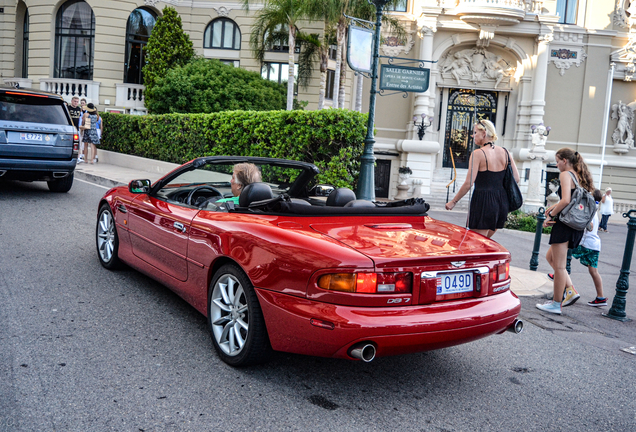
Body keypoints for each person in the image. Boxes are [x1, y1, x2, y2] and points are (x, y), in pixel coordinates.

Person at [537, 148, 595, 315]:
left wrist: (551, 216)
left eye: (557, 161)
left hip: (564, 226)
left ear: (564, 161)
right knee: (551, 257)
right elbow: (572, 201)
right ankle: (570, 291)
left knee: (560, 268)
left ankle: (556, 304)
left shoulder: (565, 175)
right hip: (575, 226)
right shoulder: (579, 176)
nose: (556, 164)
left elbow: (566, 200)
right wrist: (553, 208)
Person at [445, 119, 520, 238]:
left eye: (475, 132)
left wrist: (453, 202)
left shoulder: (478, 154)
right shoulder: (506, 152)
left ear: (484, 133)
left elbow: (468, 183)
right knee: (485, 242)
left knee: (476, 243)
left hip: (483, 200)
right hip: (501, 201)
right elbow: (516, 178)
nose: (472, 135)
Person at [570, 189, 608, 307]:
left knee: (563, 253)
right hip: (595, 245)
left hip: (586, 244)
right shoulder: (595, 209)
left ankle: (559, 276)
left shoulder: (590, 209)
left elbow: (590, 226)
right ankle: (600, 297)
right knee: (593, 271)